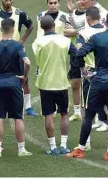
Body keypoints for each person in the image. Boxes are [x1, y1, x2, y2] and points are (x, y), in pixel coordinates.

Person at [67, 11, 108, 161]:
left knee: (89, 116)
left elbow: (79, 54)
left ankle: (80, 149)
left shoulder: (97, 38)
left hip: (99, 83)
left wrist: (83, 68)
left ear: (105, 23)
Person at [32, 15, 76, 155]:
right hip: (61, 82)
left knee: (48, 115)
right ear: (54, 25)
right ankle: (63, 145)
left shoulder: (37, 42)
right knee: (64, 113)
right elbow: (76, 55)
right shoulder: (65, 41)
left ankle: (52, 147)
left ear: (41, 27)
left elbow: (38, 60)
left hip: (45, 83)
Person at [0, 18, 32, 158]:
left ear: (1, 29)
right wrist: (24, 77)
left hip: (0, 83)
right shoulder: (18, 46)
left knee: (0, 117)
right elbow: (27, 62)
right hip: (15, 83)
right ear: (13, 30)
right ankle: (21, 149)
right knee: (18, 117)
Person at [67, 0, 108, 130]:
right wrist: (71, 13)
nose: (81, 1)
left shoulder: (102, 14)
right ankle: (101, 118)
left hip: (101, 60)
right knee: (95, 91)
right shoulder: (90, 13)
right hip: (92, 58)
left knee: (102, 91)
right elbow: (81, 28)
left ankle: (107, 122)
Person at [74, 7, 108, 151]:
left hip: (90, 73)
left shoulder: (84, 32)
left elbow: (78, 51)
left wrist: (82, 68)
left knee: (87, 109)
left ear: (88, 18)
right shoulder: (107, 32)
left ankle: (86, 143)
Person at [65, 0, 85, 122]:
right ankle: (77, 111)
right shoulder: (70, 15)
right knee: (75, 84)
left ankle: (98, 115)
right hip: (75, 53)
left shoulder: (92, 13)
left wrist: (76, 30)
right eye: (77, 0)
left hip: (91, 54)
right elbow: (65, 31)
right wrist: (81, 30)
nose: (79, 2)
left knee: (94, 85)